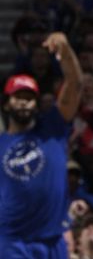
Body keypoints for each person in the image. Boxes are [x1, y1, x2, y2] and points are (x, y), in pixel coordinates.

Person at [0, 32, 83, 259]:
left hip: (53, 241)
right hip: (12, 242)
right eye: (18, 96)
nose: (25, 101)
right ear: (7, 104)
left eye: (30, 97)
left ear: (37, 103)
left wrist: (65, 52)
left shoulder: (52, 129)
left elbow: (75, 84)